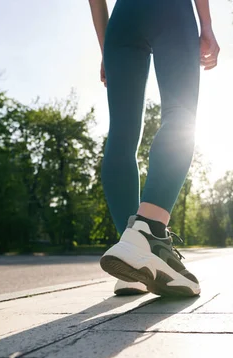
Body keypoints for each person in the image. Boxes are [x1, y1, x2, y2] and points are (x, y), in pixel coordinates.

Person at [88, 0, 220, 296]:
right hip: (169, 9)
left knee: (121, 135)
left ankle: (131, 255)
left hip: (123, 21)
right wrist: (207, 25)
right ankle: (148, 235)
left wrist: (106, 49)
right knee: (181, 115)